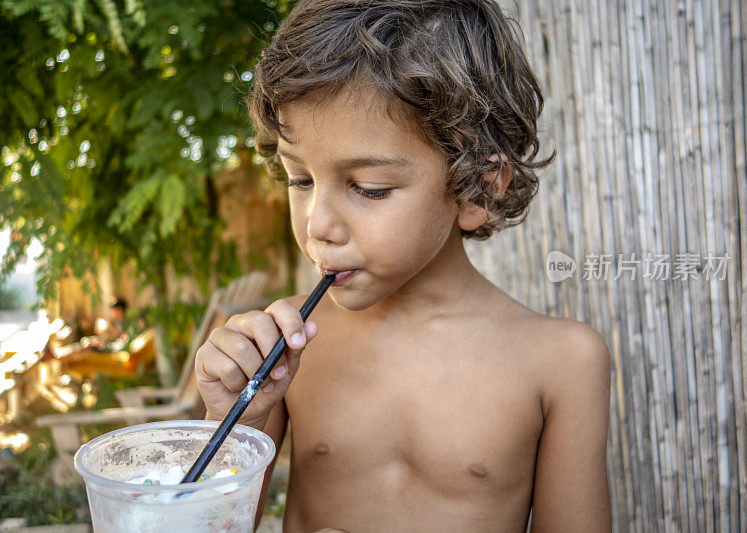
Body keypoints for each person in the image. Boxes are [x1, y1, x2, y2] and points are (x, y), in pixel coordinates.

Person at [197, 1, 611, 531]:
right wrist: (238, 421)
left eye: (370, 188)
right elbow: (210, 524)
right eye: (299, 179)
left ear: (478, 187)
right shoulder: (285, 349)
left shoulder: (560, 362)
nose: (318, 223)